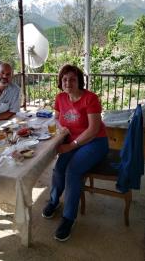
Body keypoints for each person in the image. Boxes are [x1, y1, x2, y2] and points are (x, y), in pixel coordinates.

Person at [42, 64, 109, 242]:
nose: (68, 82)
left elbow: (94, 130)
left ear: (79, 81)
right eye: (64, 79)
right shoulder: (60, 98)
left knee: (72, 171)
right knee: (58, 168)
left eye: (72, 79)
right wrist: (60, 133)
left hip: (94, 142)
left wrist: (70, 146)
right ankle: (54, 201)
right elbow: (56, 119)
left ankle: (68, 218)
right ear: (60, 82)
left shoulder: (90, 98)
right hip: (72, 141)